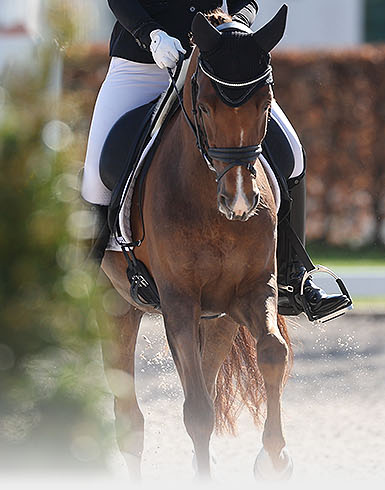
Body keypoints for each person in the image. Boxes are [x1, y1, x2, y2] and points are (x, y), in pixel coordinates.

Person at [86, 0, 350, 322]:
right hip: (141, 63)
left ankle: (294, 275)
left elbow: (247, 2)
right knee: (98, 170)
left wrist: (231, 29)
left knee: (291, 153)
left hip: (217, 63)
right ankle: (84, 277)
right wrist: (151, 34)